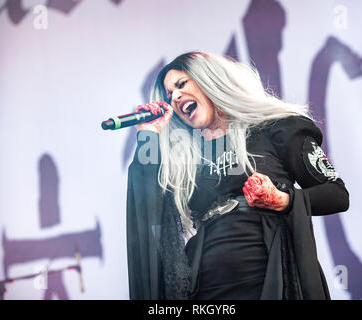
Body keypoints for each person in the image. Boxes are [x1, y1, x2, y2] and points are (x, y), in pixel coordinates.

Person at [126, 52, 349, 300]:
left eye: (181, 85)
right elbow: (146, 201)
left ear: (210, 80)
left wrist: (282, 199)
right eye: (169, 95)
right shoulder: (190, 156)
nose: (175, 97)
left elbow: (336, 194)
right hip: (207, 283)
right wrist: (148, 134)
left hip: (268, 272)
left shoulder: (276, 127)